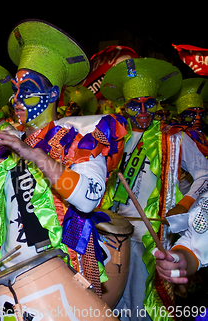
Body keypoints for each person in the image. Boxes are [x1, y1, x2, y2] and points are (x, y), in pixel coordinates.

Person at [0, 20, 127, 320]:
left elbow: (88, 198)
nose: (16, 100)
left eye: (27, 91)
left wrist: (33, 155)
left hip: (64, 280)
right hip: (12, 283)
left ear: (53, 94)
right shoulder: (7, 145)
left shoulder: (79, 142)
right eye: (15, 91)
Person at [100, 58, 208, 321]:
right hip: (114, 231)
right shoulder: (115, 137)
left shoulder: (173, 136)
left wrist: (186, 203)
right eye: (135, 105)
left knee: (143, 302)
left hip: (152, 232)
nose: (143, 111)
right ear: (124, 107)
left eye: (149, 103)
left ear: (158, 103)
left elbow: (204, 173)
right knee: (112, 299)